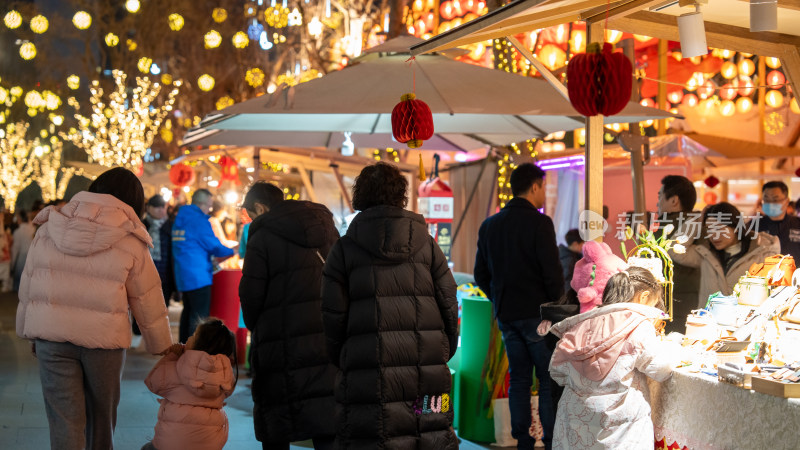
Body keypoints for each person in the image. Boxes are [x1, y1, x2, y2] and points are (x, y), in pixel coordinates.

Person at [16, 167, 173, 450]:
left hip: (51, 337)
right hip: (105, 343)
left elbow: (29, 284)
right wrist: (162, 346)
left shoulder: (49, 227)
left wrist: (28, 331)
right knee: (102, 420)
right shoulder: (131, 238)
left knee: (63, 419)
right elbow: (147, 297)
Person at [321, 162, 459, 449]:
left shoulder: (344, 249)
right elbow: (449, 300)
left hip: (367, 366)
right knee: (428, 430)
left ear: (361, 196)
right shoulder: (428, 245)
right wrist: (443, 350)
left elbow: (333, 315)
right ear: (401, 195)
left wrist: (344, 357)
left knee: (373, 434)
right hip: (427, 367)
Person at [238, 181, 339, 450]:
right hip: (325, 337)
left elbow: (251, 293)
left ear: (260, 207)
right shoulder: (326, 227)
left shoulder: (261, 236)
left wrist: (255, 325)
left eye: (251, 214)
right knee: (325, 418)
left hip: (277, 341)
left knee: (276, 422)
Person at [474, 162, 563, 450]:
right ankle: (550, 443)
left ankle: (523, 441)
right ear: (534, 186)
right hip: (538, 317)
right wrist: (556, 304)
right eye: (543, 187)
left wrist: (499, 298)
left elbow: (480, 275)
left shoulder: (490, 225)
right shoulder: (540, 223)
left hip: (507, 316)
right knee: (548, 380)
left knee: (520, 380)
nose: (544, 195)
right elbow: (552, 273)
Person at [549, 267, 676, 449]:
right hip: (619, 428)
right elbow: (661, 370)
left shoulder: (579, 324)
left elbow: (557, 373)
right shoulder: (637, 323)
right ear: (643, 297)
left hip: (575, 419)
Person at [142, 317, 236, 450]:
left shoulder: (178, 366)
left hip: (170, 445)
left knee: (147, 448)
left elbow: (153, 383)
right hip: (210, 445)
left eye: (194, 335)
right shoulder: (225, 372)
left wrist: (173, 356)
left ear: (200, 344)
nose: (190, 337)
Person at [672, 202, 780, 307]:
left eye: (719, 228)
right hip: (708, 322)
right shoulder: (705, 254)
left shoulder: (761, 254)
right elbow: (674, 249)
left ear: (736, 227)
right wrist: (697, 220)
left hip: (746, 323)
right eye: (709, 229)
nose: (714, 235)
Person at [172, 189, 235, 343]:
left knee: (187, 312)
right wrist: (232, 251)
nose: (210, 209)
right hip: (198, 275)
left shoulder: (181, 218)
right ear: (201, 204)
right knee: (198, 317)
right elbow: (214, 245)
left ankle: (183, 348)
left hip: (183, 274)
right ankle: (193, 351)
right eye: (209, 205)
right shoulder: (198, 220)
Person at [655, 175, 701, 333]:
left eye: (660, 196)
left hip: (672, 303)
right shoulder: (700, 225)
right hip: (694, 300)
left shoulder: (665, 230)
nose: (657, 202)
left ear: (674, 200)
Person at [142, 194, 176, 307]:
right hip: (144, 276)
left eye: (163, 207)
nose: (161, 210)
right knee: (142, 310)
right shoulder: (142, 226)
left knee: (162, 310)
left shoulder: (171, 226)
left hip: (165, 277)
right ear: (148, 208)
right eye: (157, 207)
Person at [758, 181, 800, 256]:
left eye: (775, 200)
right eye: (766, 199)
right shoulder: (753, 226)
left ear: (786, 201)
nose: (770, 203)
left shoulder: (797, 224)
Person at [10, 209, 35, 292]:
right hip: (33, 256)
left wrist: (12, 264)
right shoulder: (33, 228)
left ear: (19, 219)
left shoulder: (18, 232)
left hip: (22, 256)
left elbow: (15, 248)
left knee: (20, 278)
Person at [558, 229, 584, 294]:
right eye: (582, 244)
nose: (583, 247)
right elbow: (566, 283)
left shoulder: (563, 254)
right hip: (565, 297)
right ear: (575, 244)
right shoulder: (569, 261)